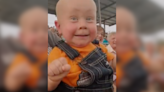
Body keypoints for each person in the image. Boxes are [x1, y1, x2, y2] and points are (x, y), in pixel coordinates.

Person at [48, 0, 116, 91]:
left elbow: (112, 62)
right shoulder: (58, 53)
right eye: (73, 18)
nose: (83, 25)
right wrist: (52, 79)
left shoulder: (98, 47)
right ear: (59, 27)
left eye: (89, 19)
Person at [4, 6, 48, 92]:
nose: (41, 35)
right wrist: (15, 79)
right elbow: (10, 84)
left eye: (45, 29)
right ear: (22, 37)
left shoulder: (49, 55)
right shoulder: (21, 58)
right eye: (34, 30)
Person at [116, 6, 149, 92]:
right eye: (118, 29)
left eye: (129, 29)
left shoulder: (138, 60)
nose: (124, 35)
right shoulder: (110, 57)